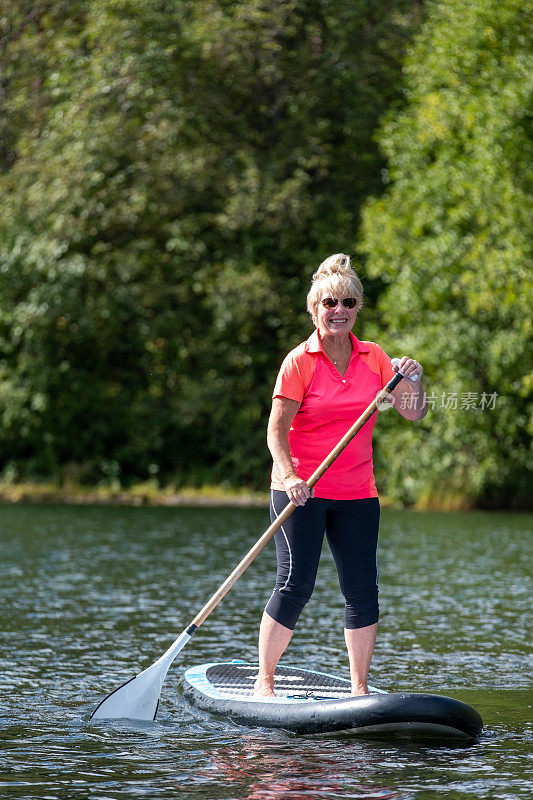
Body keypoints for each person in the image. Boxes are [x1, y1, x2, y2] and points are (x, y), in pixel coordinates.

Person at [254, 254, 428, 698]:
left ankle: (359, 688)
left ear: (357, 309)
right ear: (315, 309)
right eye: (330, 302)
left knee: (362, 589)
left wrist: (414, 382)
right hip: (300, 492)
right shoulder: (299, 362)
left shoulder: (374, 359)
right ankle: (265, 681)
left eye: (349, 302)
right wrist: (291, 477)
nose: (340, 310)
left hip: (356, 492)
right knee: (296, 585)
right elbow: (275, 431)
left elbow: (414, 412)